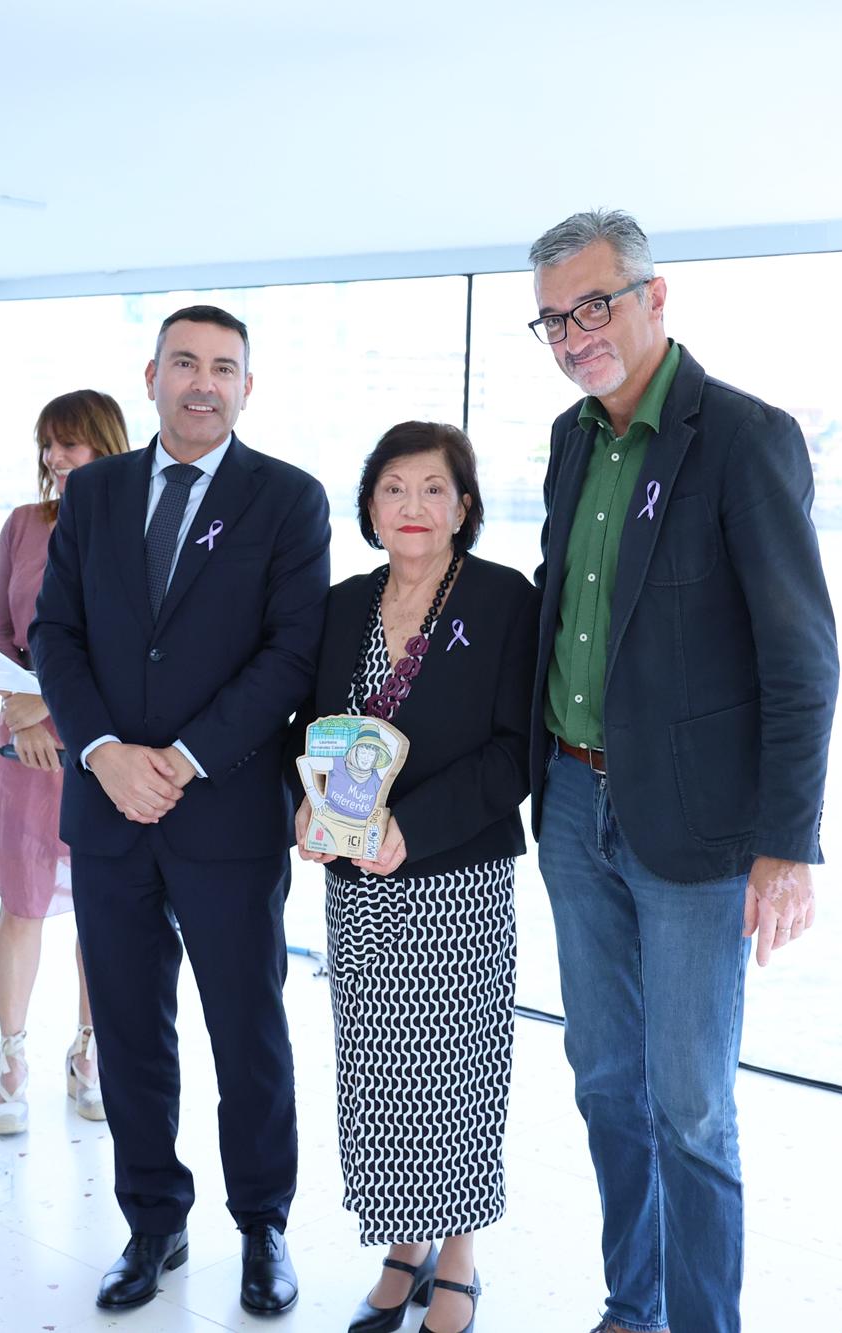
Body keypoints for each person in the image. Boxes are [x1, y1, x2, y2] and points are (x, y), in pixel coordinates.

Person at [524, 211, 840, 1333]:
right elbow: (561, 612)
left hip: (697, 826)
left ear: (657, 298)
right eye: (554, 318)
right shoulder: (570, 439)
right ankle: (634, 1303)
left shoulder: (744, 438)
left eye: (593, 304)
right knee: (603, 1080)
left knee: (691, 1102)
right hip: (568, 803)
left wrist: (787, 843)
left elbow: (801, 657)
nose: (574, 334)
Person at [29, 305, 330, 1316]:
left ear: (249, 386)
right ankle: (151, 1220)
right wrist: (106, 753)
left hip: (227, 813)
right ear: (151, 375)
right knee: (127, 1026)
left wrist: (187, 757)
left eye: (225, 369)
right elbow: (53, 634)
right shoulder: (98, 490)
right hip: (108, 809)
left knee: (246, 1030)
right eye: (186, 364)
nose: (204, 383)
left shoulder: (288, 500)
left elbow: (290, 654)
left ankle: (262, 1226)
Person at [291, 421, 536, 1333]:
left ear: (464, 506)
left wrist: (413, 827)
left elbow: (518, 752)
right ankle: (404, 1242)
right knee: (382, 1073)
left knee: (460, 1072)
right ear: (368, 506)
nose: (414, 506)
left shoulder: (504, 599)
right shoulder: (341, 605)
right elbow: (304, 731)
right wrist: (306, 808)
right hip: (357, 884)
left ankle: (460, 1257)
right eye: (395, 488)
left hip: (455, 882)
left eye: (435, 489)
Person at [0, 389, 130, 1133]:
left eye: (70, 444)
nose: (55, 458)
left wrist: (51, 710)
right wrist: (19, 708)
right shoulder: (21, 526)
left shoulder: (134, 527)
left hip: (100, 751)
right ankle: (11, 1059)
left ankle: (90, 1052)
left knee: (100, 912)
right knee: (22, 903)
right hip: (23, 749)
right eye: (49, 444)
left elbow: (133, 653)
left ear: (107, 444)